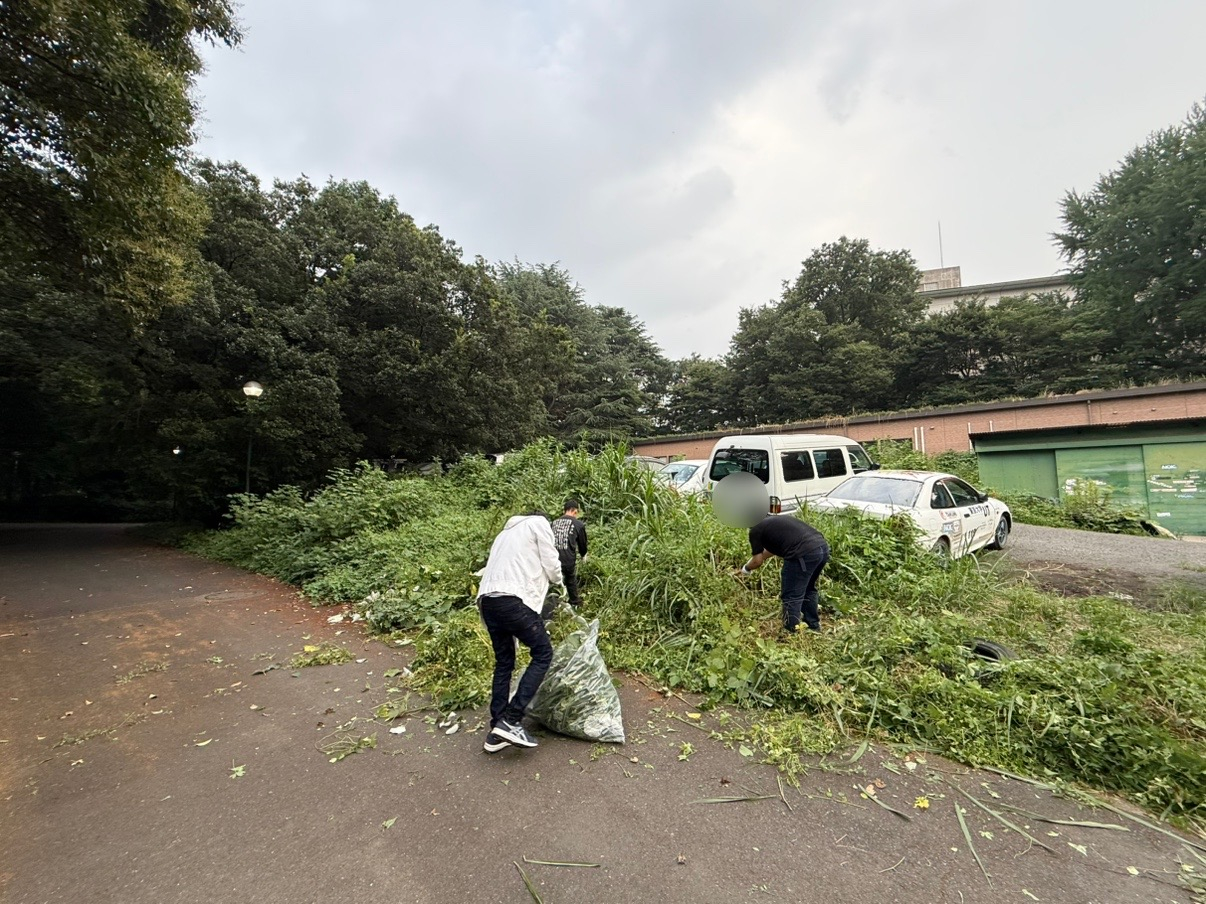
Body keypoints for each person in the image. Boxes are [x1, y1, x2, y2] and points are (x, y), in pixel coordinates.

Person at [477, 511, 565, 753]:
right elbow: (552, 564)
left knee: (504, 662)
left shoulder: (505, 534)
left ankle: (497, 729)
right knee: (543, 653)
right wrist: (560, 581)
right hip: (512, 599)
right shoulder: (539, 523)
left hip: (488, 601)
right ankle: (512, 719)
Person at [737, 514, 830, 634]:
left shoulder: (755, 530)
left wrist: (746, 569)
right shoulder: (775, 521)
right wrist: (746, 567)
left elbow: (757, 561)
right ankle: (813, 626)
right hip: (822, 548)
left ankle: (791, 631)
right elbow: (769, 551)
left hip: (802, 554)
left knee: (791, 595)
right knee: (809, 589)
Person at [551, 498, 588, 607]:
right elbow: (582, 544)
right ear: (575, 511)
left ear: (564, 510)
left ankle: (553, 603)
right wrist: (583, 555)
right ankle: (575, 603)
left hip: (551, 558)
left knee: (552, 584)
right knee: (570, 580)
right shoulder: (578, 524)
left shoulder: (553, 523)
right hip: (567, 560)